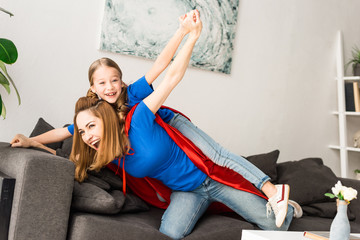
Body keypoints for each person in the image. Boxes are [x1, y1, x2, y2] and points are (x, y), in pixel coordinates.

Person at [10, 10, 301, 231]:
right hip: (182, 186)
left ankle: (276, 195)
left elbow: (164, 69)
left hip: (167, 123)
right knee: (171, 232)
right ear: (93, 89)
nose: (110, 87)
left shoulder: (134, 101)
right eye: (102, 83)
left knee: (218, 156)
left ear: (122, 83)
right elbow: (65, 133)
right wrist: (32, 141)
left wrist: (186, 33)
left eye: (114, 80)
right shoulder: (96, 125)